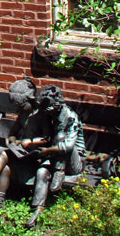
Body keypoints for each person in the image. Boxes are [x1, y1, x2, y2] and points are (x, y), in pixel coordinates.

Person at [0, 77, 49, 214]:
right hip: (23, 153)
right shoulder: (24, 114)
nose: (19, 109)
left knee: (5, 154)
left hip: (37, 155)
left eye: (21, 106)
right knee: (6, 168)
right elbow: (13, 131)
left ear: (30, 100)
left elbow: (47, 139)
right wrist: (11, 139)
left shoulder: (41, 116)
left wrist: (30, 142)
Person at [23, 84, 85, 228]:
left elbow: (69, 146)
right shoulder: (49, 115)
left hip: (74, 162)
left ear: (57, 102)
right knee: (42, 172)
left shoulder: (70, 116)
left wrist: (46, 151)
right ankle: (36, 211)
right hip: (53, 155)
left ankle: (59, 171)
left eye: (49, 107)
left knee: (60, 135)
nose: (47, 111)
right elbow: (45, 137)